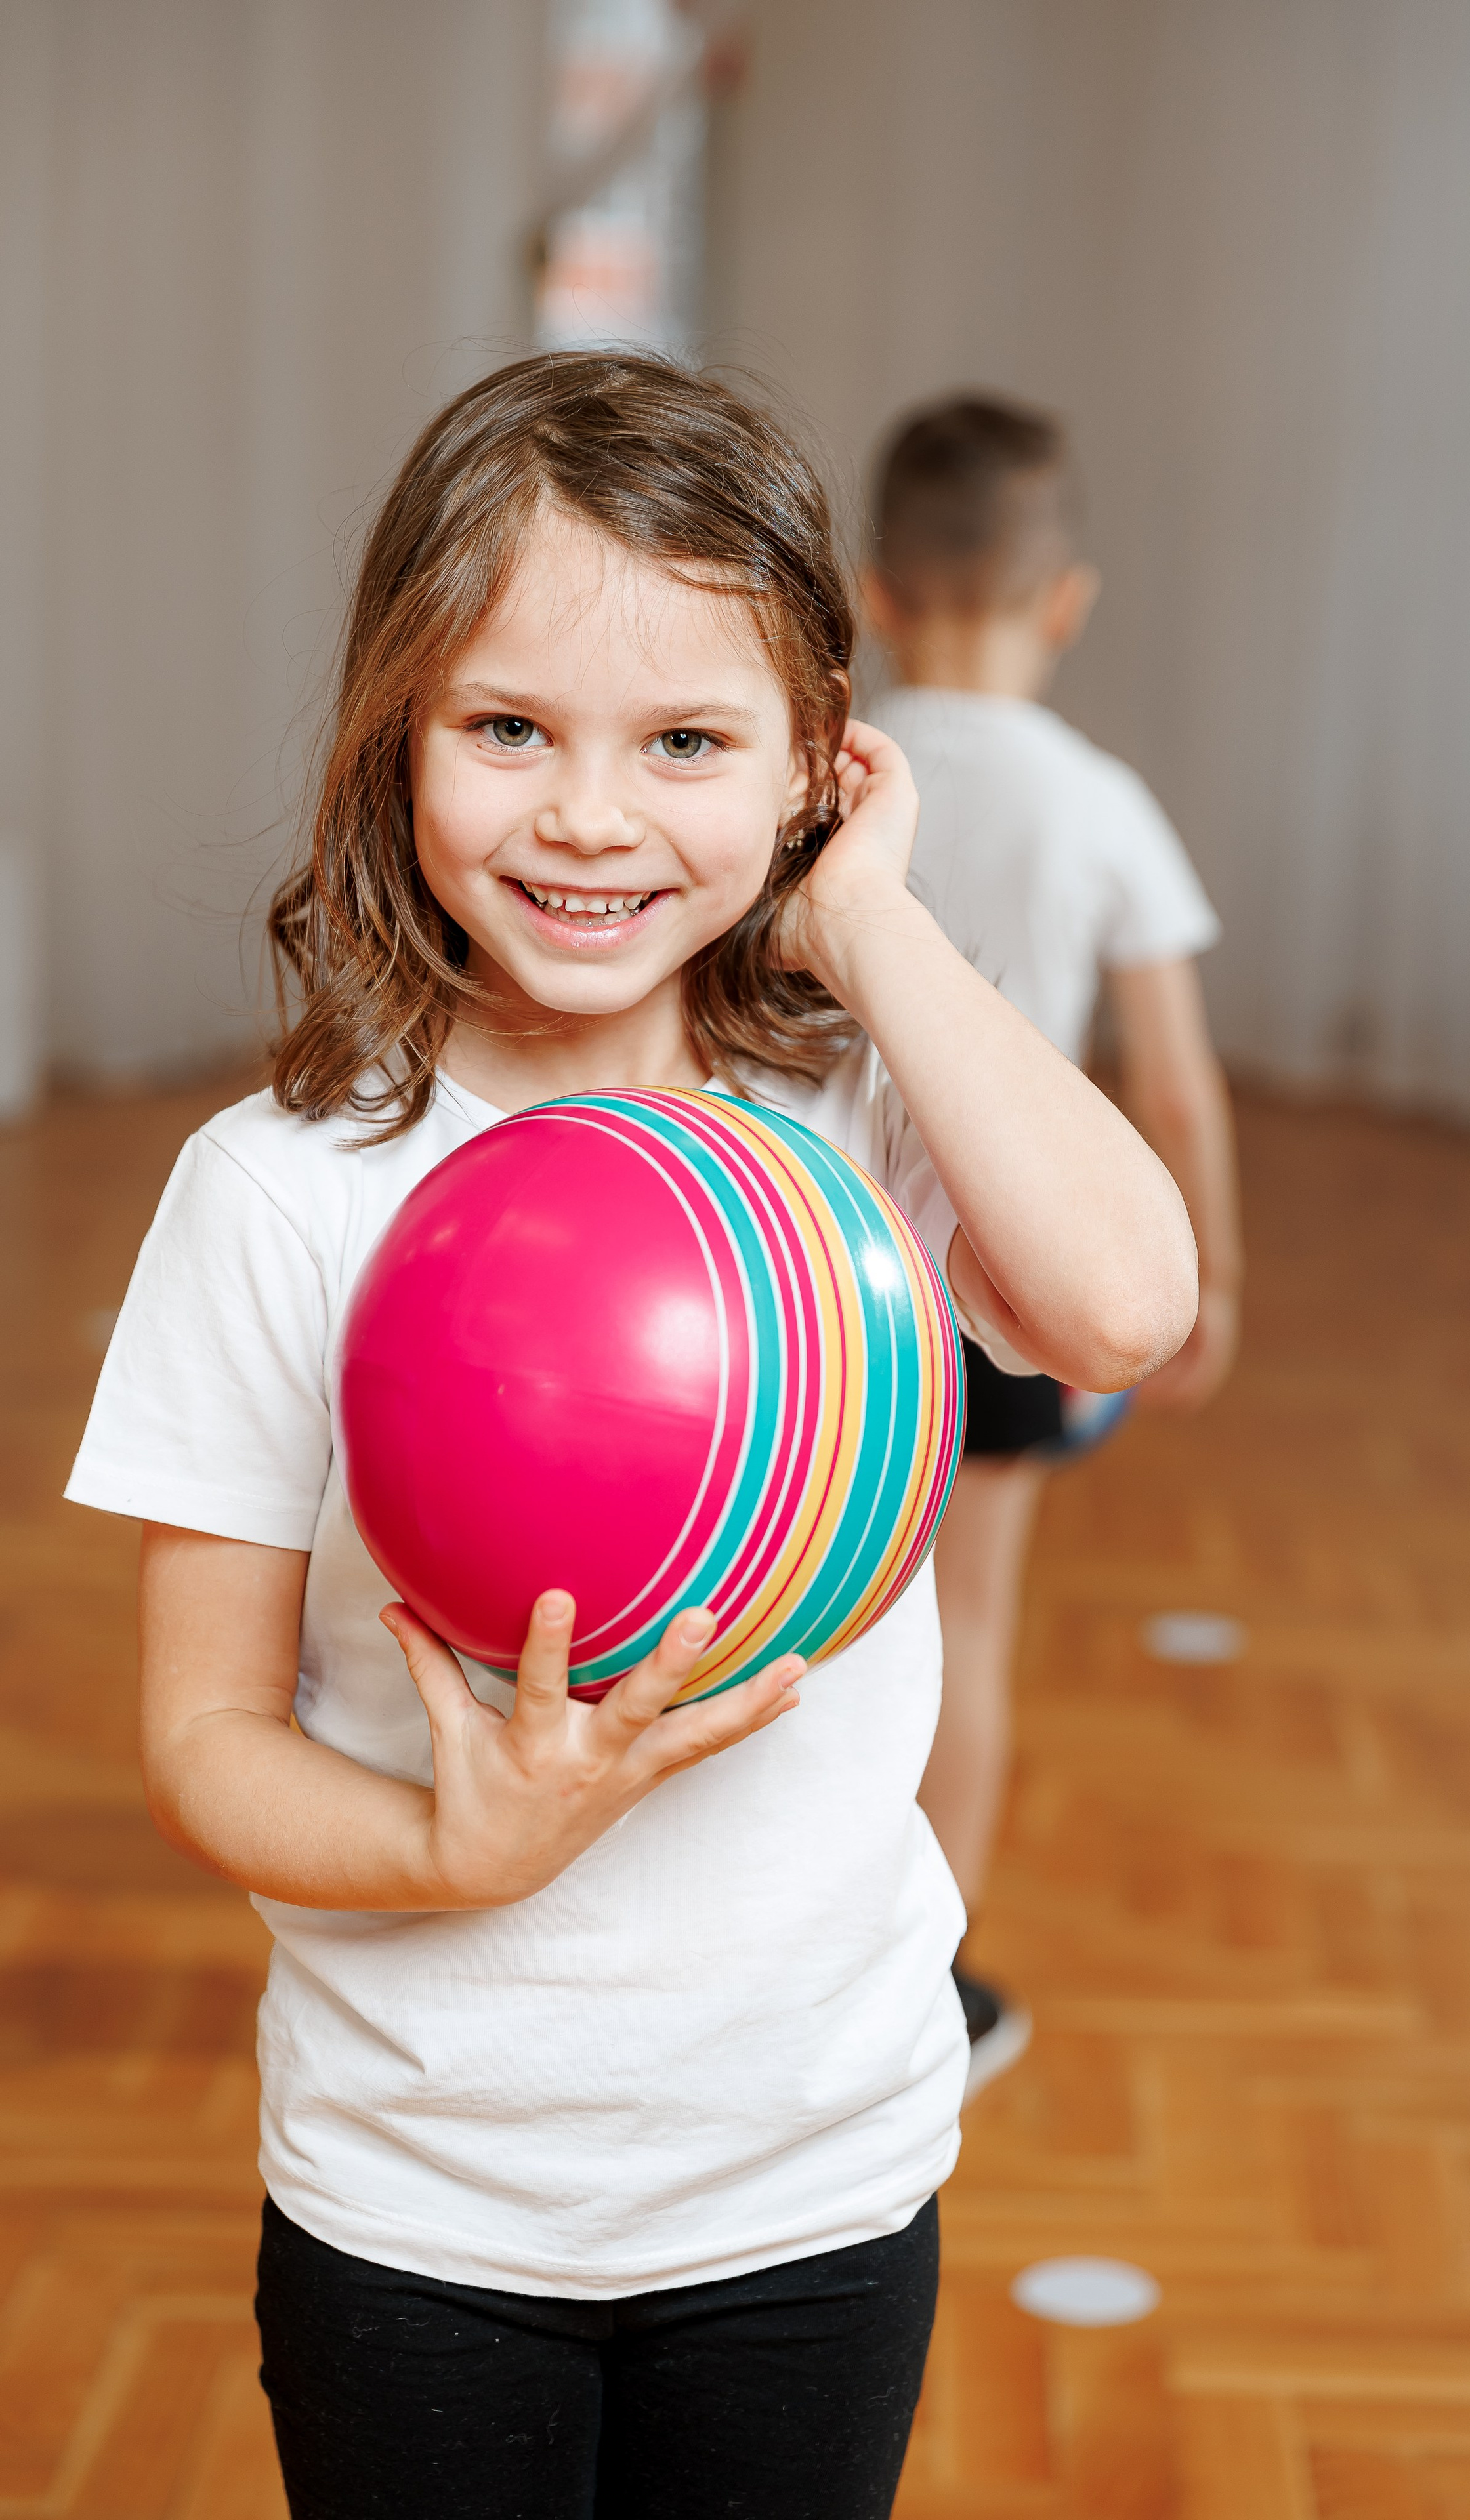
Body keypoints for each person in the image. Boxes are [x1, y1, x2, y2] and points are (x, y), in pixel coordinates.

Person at [65, 356, 1198, 2520]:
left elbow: (1130, 1302)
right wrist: (448, 1853)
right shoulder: (280, 1182)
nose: (591, 816)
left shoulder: (862, 1122)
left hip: (818, 2181)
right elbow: (204, 1736)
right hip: (424, 2208)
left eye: (688, 743)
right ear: (397, 731)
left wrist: (866, 924)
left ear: (816, 767)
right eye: (510, 728)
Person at [864, 394, 1243, 2096]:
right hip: (1003, 1286)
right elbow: (1171, 1082)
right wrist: (1206, 1284)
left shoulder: (819, 768)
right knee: (971, 1636)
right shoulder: (1097, 799)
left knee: (820, 1626)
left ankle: (799, 1957)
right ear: (1065, 598)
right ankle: (919, 1993)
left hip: (823, 1285)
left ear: (875, 592)